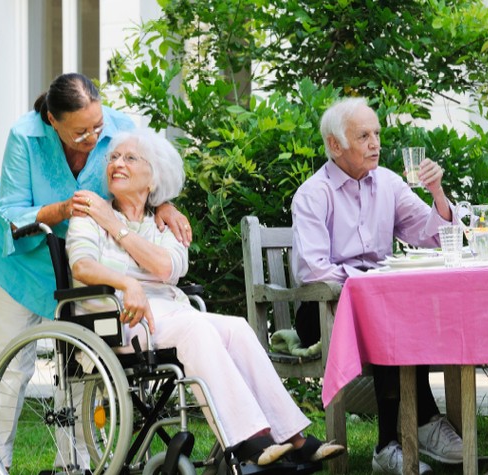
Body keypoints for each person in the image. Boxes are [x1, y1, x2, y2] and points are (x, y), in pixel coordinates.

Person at [65, 128, 346, 469]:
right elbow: (82, 265)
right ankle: (249, 441)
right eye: (113, 158)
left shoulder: (167, 224)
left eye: (130, 158)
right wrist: (126, 282)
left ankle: (294, 439)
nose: (117, 164)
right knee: (195, 329)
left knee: (236, 328)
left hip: (167, 313)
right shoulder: (91, 214)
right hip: (117, 319)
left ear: (153, 179)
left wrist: (118, 228)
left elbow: (166, 267)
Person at [0, 73, 191, 474]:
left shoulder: (119, 127)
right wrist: (61, 210)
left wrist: (163, 205)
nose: (92, 137)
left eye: (97, 126)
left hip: (80, 259)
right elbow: (11, 211)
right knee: (10, 368)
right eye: (80, 132)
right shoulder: (25, 137)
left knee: (80, 365)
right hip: (17, 263)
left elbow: (147, 173)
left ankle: (74, 465)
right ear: (53, 121)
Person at [291, 97, 463, 475]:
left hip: (380, 306)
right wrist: (369, 283)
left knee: (397, 310)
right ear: (335, 145)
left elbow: (432, 237)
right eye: (363, 136)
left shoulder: (388, 183)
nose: (375, 144)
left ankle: (403, 436)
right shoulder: (313, 194)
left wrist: (437, 193)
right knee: (386, 311)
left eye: (377, 134)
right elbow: (313, 270)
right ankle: (415, 428)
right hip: (323, 311)